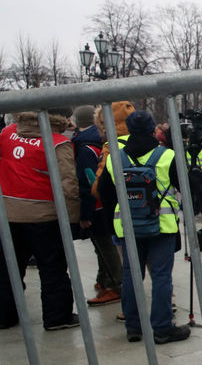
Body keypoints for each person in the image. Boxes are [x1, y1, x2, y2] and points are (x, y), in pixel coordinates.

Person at [97, 111, 190, 344]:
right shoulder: (168, 156)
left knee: (131, 276)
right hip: (162, 225)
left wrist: (112, 225)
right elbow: (186, 188)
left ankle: (134, 327)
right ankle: (161, 328)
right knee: (160, 276)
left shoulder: (114, 158)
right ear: (152, 130)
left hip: (128, 226)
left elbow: (106, 195)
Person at [0, 109, 80, 330]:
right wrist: (72, 220)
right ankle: (57, 317)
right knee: (52, 267)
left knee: (7, 267)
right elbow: (68, 186)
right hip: (44, 216)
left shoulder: (6, 133)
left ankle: (4, 314)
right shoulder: (58, 143)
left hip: (7, 213)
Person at [72, 105, 122, 306]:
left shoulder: (85, 148)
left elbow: (87, 182)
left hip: (97, 204)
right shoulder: (97, 142)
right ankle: (105, 279)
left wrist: (85, 213)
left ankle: (115, 284)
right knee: (103, 244)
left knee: (105, 245)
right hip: (105, 201)